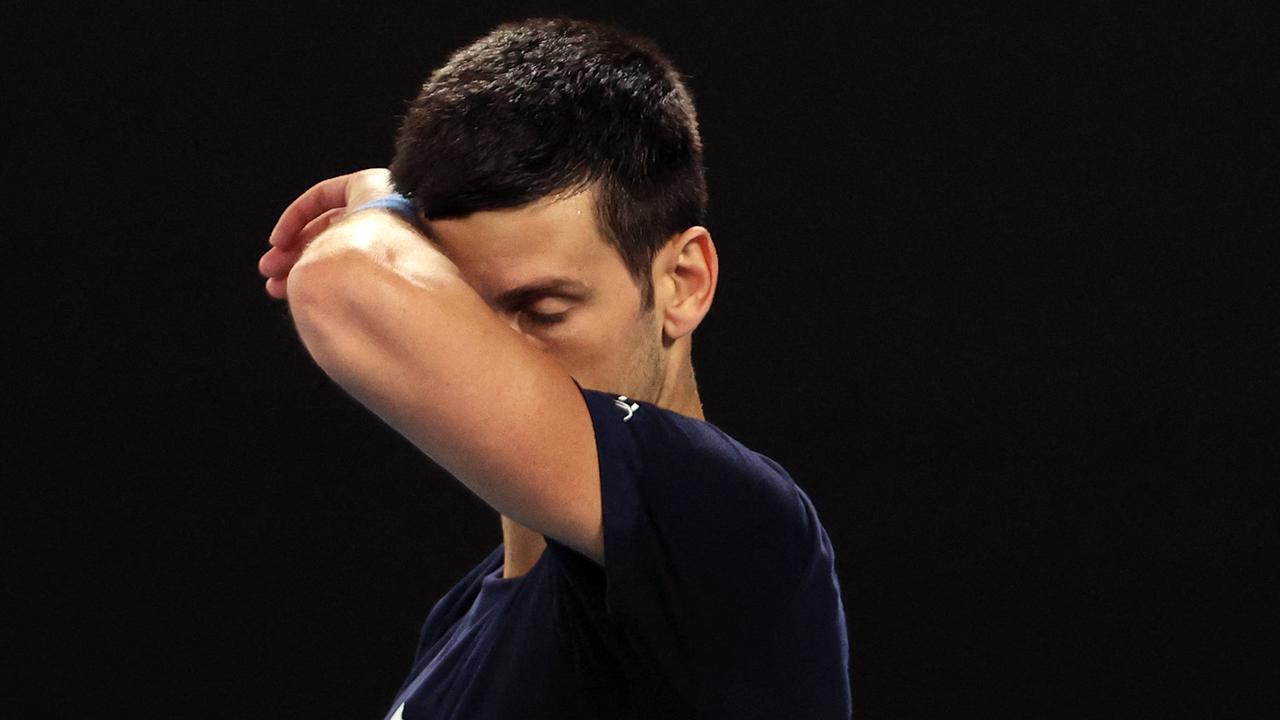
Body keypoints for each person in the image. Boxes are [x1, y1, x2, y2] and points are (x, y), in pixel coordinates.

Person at [258, 17, 851, 720]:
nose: (492, 350)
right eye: (460, 313)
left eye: (542, 309)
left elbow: (343, 284)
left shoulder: (730, 525)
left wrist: (378, 199)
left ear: (682, 283)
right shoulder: (462, 621)